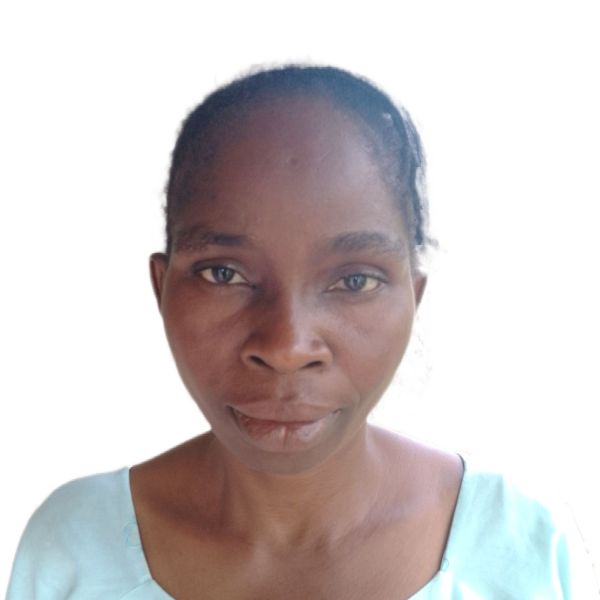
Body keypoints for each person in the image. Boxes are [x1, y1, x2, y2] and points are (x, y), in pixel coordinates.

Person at [7, 65, 597, 599]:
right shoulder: (75, 550)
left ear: (413, 298)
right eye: (223, 273)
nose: (287, 346)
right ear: (161, 289)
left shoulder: (522, 551)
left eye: (355, 281)